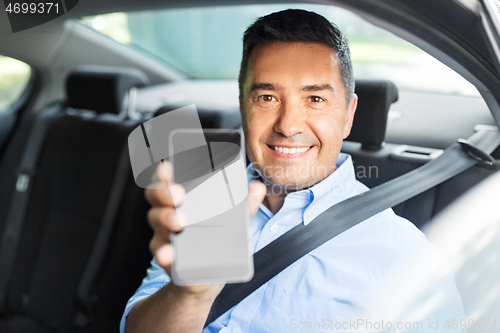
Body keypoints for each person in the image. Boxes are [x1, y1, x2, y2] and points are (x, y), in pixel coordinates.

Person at [121, 9, 466, 333]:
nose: (288, 125)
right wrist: (188, 296)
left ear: (348, 115)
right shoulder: (203, 198)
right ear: (243, 108)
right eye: (267, 98)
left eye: (315, 99)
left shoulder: (405, 259)